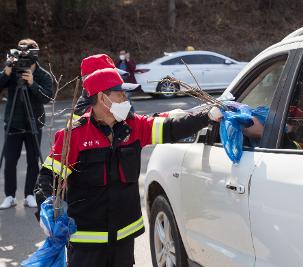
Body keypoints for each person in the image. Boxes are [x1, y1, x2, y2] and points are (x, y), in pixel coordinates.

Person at [33, 63, 213, 266]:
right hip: (86, 244)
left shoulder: (134, 126)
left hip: (123, 242)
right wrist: (45, 209)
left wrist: (207, 116)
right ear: (102, 98)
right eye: (120, 94)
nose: (126, 99)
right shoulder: (73, 136)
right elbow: (47, 178)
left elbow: (172, 128)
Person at [0, 39, 53, 209]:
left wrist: (32, 83)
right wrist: (6, 73)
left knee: (33, 160)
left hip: (34, 123)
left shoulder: (43, 75)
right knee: (10, 161)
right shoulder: (12, 71)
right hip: (13, 123)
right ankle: (9, 196)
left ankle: (30, 194)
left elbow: (48, 97)